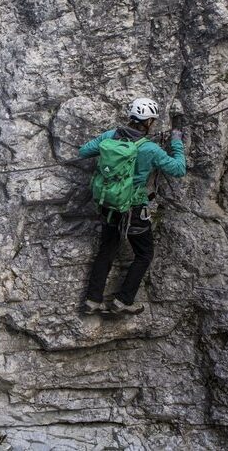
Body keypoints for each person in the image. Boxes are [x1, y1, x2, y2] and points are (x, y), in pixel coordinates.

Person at [79, 97, 186, 315]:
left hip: (109, 204)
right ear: (149, 123)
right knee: (144, 254)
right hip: (134, 209)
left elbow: (84, 151)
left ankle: (92, 300)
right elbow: (178, 169)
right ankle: (122, 301)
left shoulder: (111, 135)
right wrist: (176, 141)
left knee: (107, 250)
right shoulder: (150, 149)